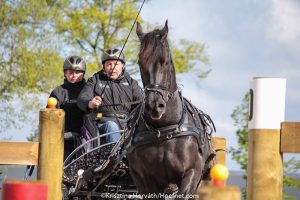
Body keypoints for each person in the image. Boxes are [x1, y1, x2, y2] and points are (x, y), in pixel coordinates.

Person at [77, 48, 143, 144]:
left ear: (123, 66)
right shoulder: (95, 79)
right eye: (109, 64)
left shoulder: (131, 82)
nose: (112, 67)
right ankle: (116, 158)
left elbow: (142, 101)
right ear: (104, 66)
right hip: (103, 123)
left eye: (116, 64)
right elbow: (82, 98)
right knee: (111, 126)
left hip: (127, 123)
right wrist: (90, 103)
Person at [48, 56, 86, 160]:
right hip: (64, 140)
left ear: (83, 73)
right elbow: (50, 119)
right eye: (70, 72)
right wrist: (63, 135)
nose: (74, 75)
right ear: (65, 73)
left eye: (78, 72)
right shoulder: (57, 92)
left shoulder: (89, 90)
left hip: (88, 139)